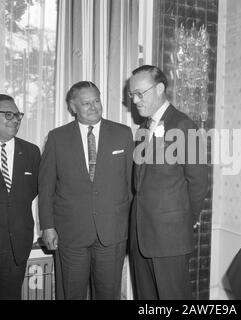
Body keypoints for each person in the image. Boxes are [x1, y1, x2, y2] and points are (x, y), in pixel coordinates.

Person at [38, 81, 134, 300]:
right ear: (73, 107)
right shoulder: (56, 138)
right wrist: (48, 226)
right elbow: (46, 188)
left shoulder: (123, 134)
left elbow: (131, 185)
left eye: (97, 101)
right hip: (71, 234)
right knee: (71, 293)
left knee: (108, 294)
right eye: (86, 103)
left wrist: (131, 228)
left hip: (112, 233)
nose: (93, 107)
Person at [128, 65, 209, 300]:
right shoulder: (144, 129)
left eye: (140, 93)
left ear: (160, 88)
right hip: (141, 234)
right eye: (132, 94)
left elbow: (198, 183)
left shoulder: (183, 125)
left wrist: (183, 222)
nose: (135, 100)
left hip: (169, 236)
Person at [0, 94, 41, 300]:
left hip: (17, 246)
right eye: (8, 114)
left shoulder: (32, 152)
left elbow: (33, 191)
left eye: (18, 115)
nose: (15, 119)